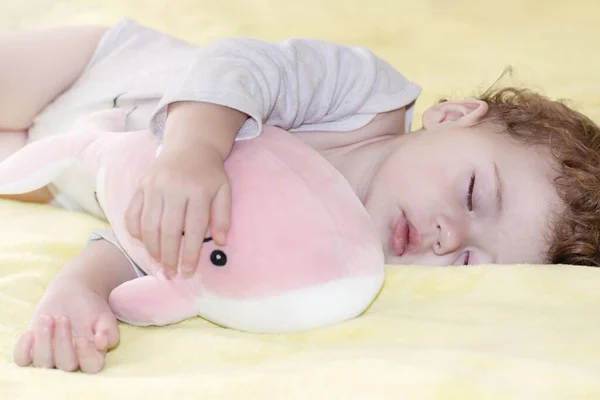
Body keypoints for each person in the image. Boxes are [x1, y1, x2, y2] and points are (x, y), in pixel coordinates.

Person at [4, 19, 599, 373]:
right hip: (91, 72)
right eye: (472, 193)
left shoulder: (327, 257)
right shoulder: (367, 96)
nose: (449, 235)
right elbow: (242, 64)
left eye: (471, 258)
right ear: (454, 115)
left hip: (63, 176)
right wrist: (193, 150)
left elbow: (167, 248)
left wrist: (79, 288)